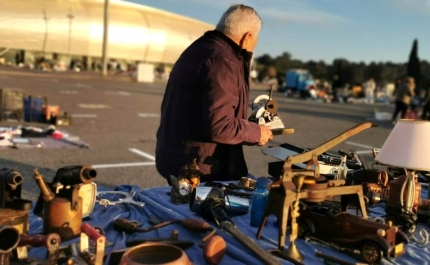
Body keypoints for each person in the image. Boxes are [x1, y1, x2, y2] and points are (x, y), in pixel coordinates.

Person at [155, 4, 273, 185]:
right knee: (192, 211)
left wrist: (245, 129)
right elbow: (220, 126)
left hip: (179, 157)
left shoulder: (199, 48)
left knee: (178, 207)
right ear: (247, 37)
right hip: (201, 170)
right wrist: (257, 132)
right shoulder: (223, 62)